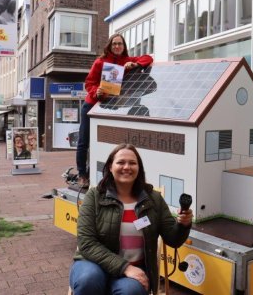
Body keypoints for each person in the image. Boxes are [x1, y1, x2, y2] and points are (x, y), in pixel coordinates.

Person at [69, 144, 193, 295]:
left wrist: (183, 225)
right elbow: (86, 243)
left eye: (132, 163)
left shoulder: (154, 199)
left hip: (134, 268)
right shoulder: (94, 196)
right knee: (88, 280)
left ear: (139, 168)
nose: (127, 167)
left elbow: (173, 240)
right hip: (94, 264)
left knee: (132, 291)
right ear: (110, 166)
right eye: (121, 162)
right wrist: (124, 267)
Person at [77, 34, 153, 184]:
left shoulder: (127, 61)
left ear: (124, 47)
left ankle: (101, 172)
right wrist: (96, 91)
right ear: (110, 46)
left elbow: (148, 58)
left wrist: (135, 65)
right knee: (84, 141)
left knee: (104, 140)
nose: (117, 46)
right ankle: (82, 174)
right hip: (92, 104)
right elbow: (89, 82)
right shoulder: (100, 62)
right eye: (114, 44)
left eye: (120, 44)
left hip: (111, 106)